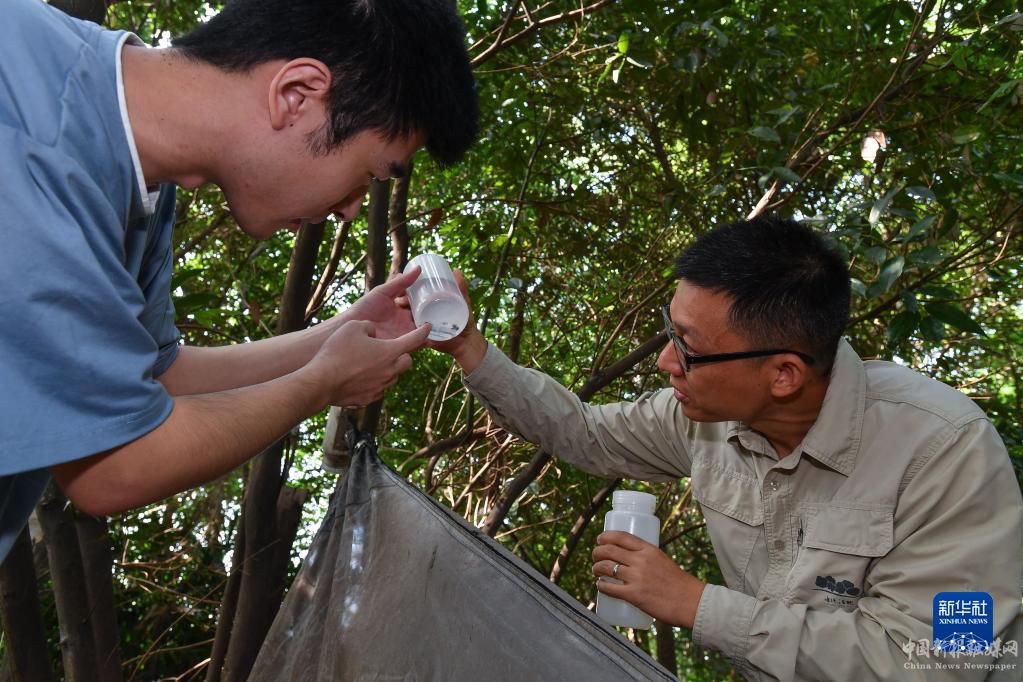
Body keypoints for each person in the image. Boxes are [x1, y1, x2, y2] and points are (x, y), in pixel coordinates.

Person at [436, 215, 1023, 680]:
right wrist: (468, 347)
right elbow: (586, 433)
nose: (666, 362)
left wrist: (697, 605)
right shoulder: (706, 421)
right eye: (669, 332)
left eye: (688, 348)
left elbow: (943, 661)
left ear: (784, 374)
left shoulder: (946, 451)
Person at [0, 0, 478, 562]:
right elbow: (115, 468)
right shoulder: (36, 142)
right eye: (369, 174)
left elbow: (161, 375)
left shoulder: (139, 181)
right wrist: (322, 383)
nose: (351, 209)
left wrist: (343, 330)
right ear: (296, 95)